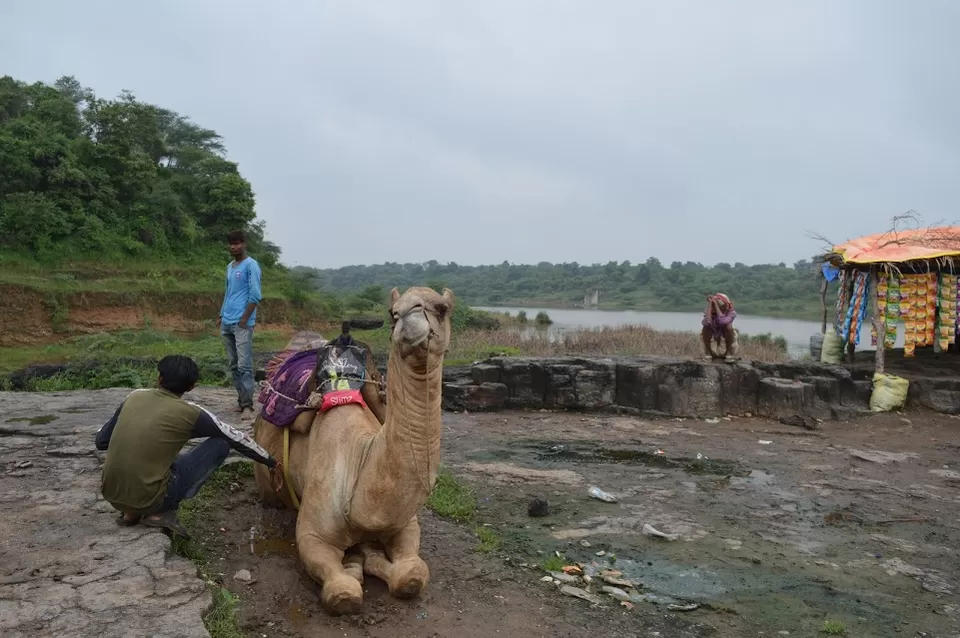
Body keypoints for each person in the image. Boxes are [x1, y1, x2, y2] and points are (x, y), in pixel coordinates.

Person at [95, 354, 279, 538]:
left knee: (158, 451)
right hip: (153, 498)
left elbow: (101, 441)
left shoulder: (134, 397)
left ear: (159, 378)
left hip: (111, 493)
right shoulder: (192, 413)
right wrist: (272, 462)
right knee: (221, 443)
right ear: (192, 387)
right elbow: (236, 438)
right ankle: (162, 511)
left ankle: (131, 513)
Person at [218, 230, 263, 417]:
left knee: (244, 365)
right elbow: (228, 292)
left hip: (242, 322)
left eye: (237, 243)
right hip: (227, 321)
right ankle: (241, 400)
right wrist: (221, 314)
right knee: (233, 364)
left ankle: (248, 406)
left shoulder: (251, 265)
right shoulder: (230, 266)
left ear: (244, 244)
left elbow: (255, 295)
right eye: (231, 244)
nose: (234, 247)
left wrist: (245, 318)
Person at [701, 293, 740, 361]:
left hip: (725, 340)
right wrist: (710, 304)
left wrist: (716, 306)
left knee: (728, 326)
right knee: (706, 327)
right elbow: (707, 322)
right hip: (713, 340)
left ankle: (729, 353)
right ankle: (708, 352)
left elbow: (722, 321)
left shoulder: (731, 313)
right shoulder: (709, 311)